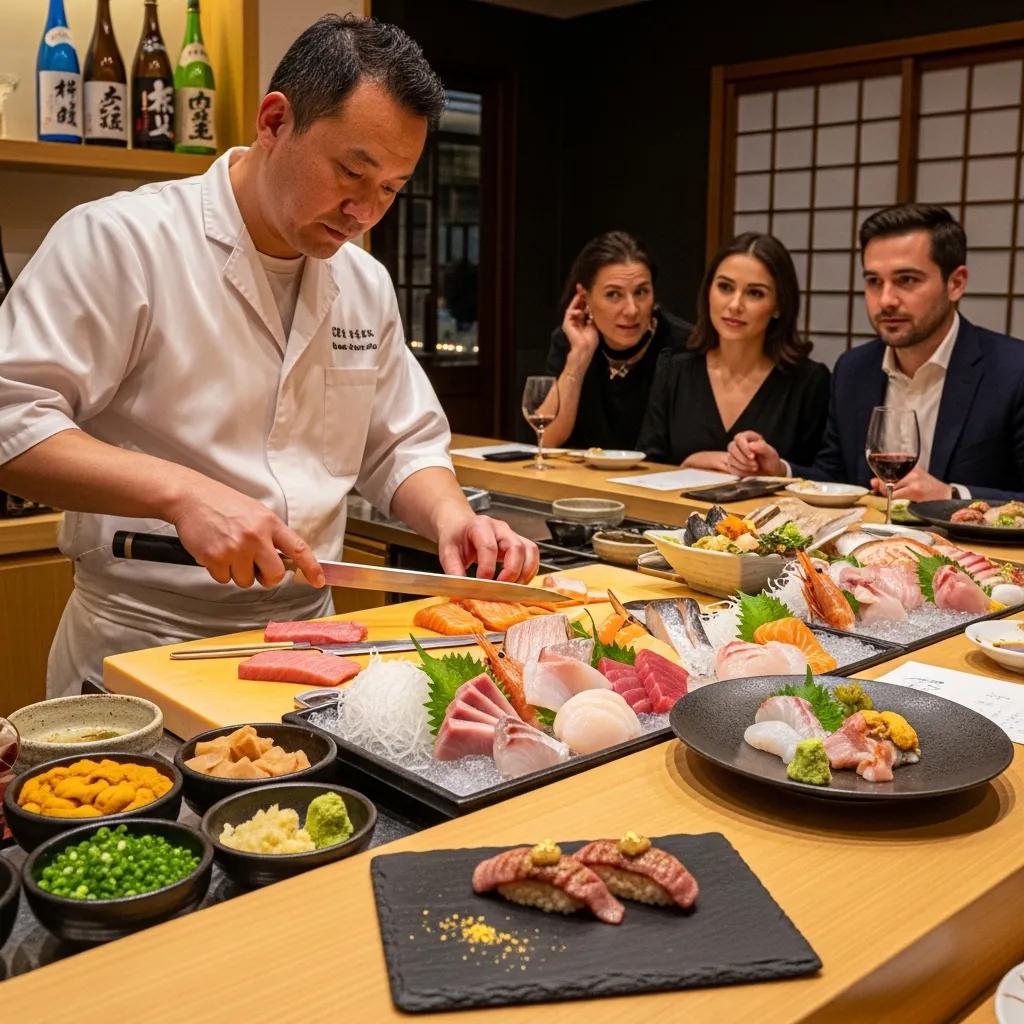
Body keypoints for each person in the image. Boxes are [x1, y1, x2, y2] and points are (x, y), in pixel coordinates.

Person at [0, 15, 538, 698]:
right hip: (145, 641)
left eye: (391, 189)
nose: (365, 211)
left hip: (313, 638)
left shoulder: (363, 282)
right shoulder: (121, 240)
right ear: (275, 120)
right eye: (352, 171)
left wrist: (453, 518)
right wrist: (181, 493)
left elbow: (398, 444)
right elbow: (12, 418)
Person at [727, 204, 1024, 501]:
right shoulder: (854, 369)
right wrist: (779, 470)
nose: (886, 300)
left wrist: (952, 495)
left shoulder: (1012, 371)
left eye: (907, 280)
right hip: (865, 543)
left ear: (956, 284)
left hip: (973, 546)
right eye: (873, 281)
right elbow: (835, 476)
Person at [636, 233, 829, 470]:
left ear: (779, 305)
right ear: (709, 291)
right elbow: (645, 468)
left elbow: (825, 477)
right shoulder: (673, 369)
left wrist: (779, 470)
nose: (735, 305)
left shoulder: (808, 382)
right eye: (725, 287)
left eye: (755, 293)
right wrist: (689, 463)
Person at [541, 231, 691, 450]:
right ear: (584, 297)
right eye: (614, 295)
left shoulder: (683, 346)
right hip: (582, 480)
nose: (631, 310)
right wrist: (579, 357)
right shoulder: (570, 341)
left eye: (641, 292)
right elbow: (546, 439)